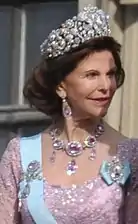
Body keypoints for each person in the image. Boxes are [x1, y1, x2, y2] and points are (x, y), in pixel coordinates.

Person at [0, 5, 138, 224]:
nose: (106, 86)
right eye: (92, 75)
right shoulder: (19, 156)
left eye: (110, 74)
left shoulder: (130, 155)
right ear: (61, 86)